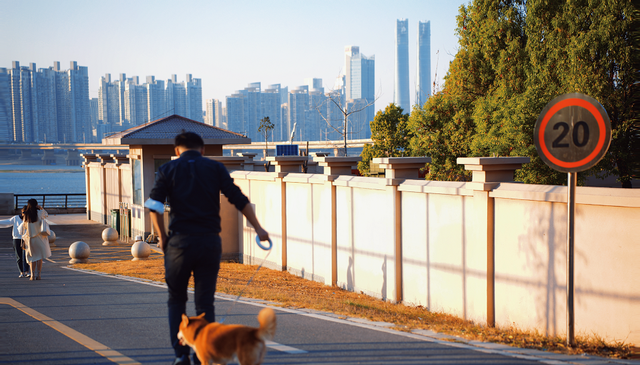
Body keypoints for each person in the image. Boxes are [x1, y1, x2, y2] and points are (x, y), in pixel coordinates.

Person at [144, 131, 269, 365]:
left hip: (179, 243)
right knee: (205, 302)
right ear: (202, 150)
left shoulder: (167, 170)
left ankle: (181, 355)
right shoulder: (214, 168)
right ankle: (207, 354)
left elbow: (154, 205)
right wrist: (259, 229)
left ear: (176, 150)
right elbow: (238, 198)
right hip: (209, 242)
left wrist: (162, 236)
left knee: (176, 299)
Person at [18, 199, 51, 281]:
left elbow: (24, 227)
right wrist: (41, 208)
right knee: (39, 257)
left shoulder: (26, 215)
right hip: (39, 238)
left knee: (32, 258)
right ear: (36, 205)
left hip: (30, 239)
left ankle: (32, 275)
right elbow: (46, 215)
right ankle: (39, 275)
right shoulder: (39, 213)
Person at [0, 206, 29, 278]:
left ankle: (27, 271)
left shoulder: (29, 219)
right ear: (21, 212)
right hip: (17, 238)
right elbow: (7, 222)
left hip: (26, 239)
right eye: (23, 212)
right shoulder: (16, 218)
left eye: (26, 213)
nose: (24, 214)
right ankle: (21, 272)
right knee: (19, 256)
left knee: (27, 256)